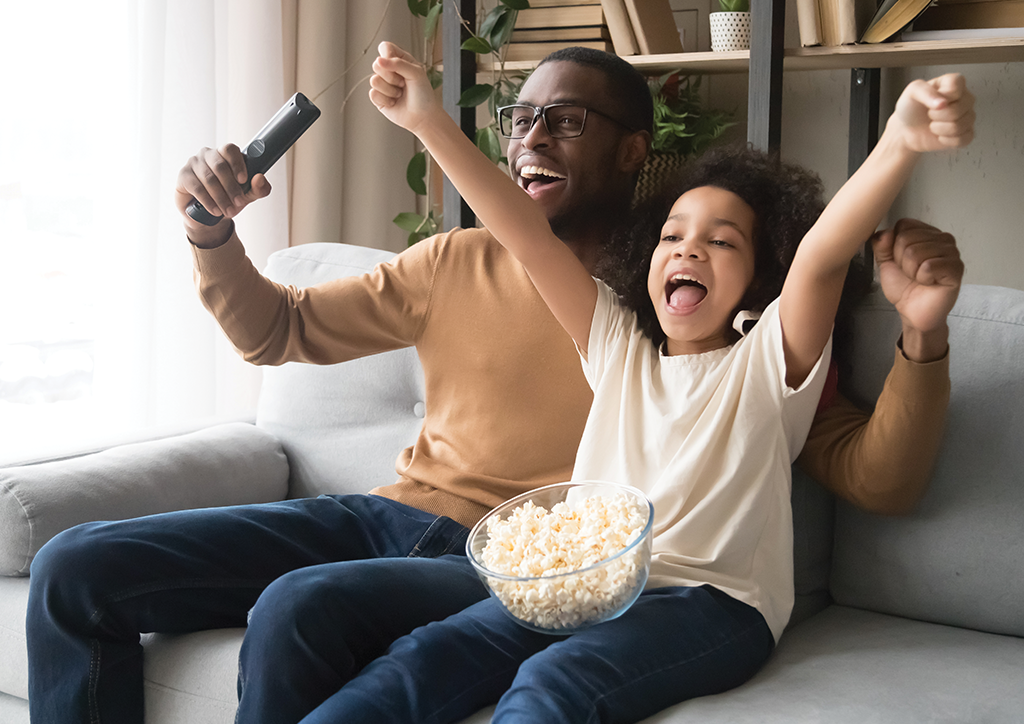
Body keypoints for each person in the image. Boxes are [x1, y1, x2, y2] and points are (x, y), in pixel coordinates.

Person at [24, 40, 967, 724]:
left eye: (566, 120)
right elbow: (313, 312)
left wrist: (901, 164)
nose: (534, 139)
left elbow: (821, 277)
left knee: (418, 647)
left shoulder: (756, 361)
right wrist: (411, 125)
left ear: (634, 150)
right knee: (81, 570)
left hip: (584, 575)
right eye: (522, 119)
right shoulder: (585, 323)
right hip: (451, 539)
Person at [329, 43, 976, 724]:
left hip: (710, 603)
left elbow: (820, 257)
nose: (689, 249)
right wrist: (429, 122)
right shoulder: (614, 343)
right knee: (417, 660)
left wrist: (900, 140)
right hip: (582, 584)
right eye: (672, 236)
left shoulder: (765, 364)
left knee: (552, 686)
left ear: (759, 280)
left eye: (722, 242)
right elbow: (525, 236)